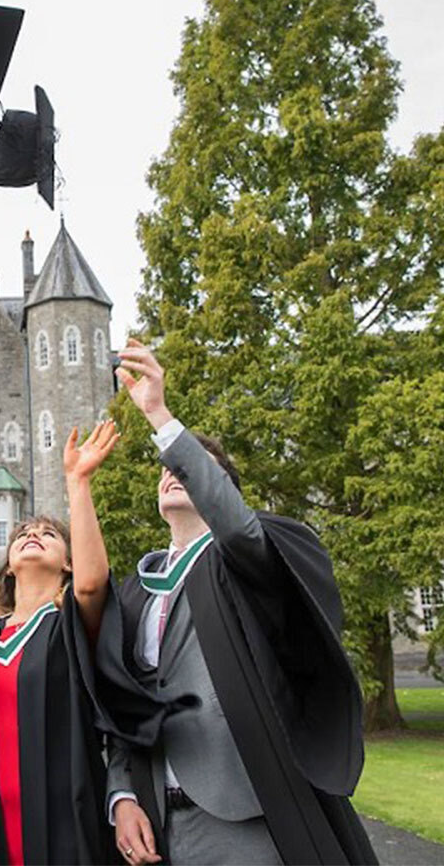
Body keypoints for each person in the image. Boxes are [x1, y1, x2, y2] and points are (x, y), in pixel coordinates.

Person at [104, 340, 376, 866]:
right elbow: (122, 705)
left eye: (191, 467)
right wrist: (122, 795)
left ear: (220, 488)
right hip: (160, 819)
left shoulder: (249, 560)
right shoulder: (137, 588)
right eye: (167, 470)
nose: (173, 472)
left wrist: (159, 416)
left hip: (249, 810)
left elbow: (238, 528)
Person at [0, 420, 121, 865]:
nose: (33, 535)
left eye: (49, 535)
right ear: (8, 566)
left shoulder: (68, 625)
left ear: (68, 563)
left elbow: (93, 586)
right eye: (23, 535)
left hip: (66, 817)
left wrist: (78, 483)